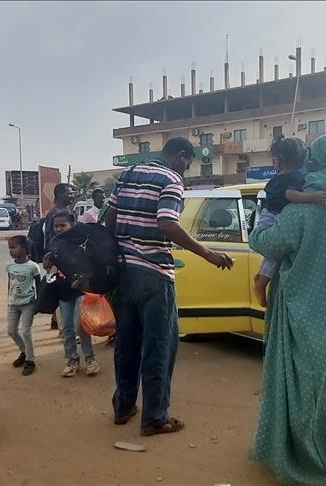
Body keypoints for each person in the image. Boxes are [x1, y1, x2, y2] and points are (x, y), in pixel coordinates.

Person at [249, 134, 326, 486]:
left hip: (311, 305)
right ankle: (287, 450)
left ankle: (319, 467)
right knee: (320, 387)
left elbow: (266, 242)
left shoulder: (313, 198)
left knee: (304, 389)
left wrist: (261, 218)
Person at [104, 137, 233, 436]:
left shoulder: (128, 174)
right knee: (159, 346)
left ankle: (123, 407)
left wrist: (119, 254)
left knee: (126, 343)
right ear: (181, 155)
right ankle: (154, 417)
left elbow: (110, 218)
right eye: (188, 163)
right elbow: (167, 223)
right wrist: (208, 254)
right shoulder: (171, 179)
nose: (186, 169)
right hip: (154, 274)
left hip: (123, 275)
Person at [253, 135, 326, 307]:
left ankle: (261, 278)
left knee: (272, 256)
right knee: (274, 255)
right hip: (272, 217)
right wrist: (312, 197)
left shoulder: (277, 179)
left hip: (267, 215)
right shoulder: (295, 178)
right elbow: (290, 195)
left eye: (273, 160)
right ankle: (261, 283)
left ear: (279, 161)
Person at [42, 211, 100, 377]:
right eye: (56, 226)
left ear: (72, 225)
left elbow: (92, 264)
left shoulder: (82, 242)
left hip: (81, 290)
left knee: (80, 326)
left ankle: (90, 358)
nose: (59, 229)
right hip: (63, 291)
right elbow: (48, 266)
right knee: (67, 328)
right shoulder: (54, 244)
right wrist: (47, 261)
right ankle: (72, 359)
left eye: (63, 225)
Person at [6, 235, 41, 376]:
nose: (11, 250)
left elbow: (39, 285)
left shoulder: (33, 266)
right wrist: (9, 298)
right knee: (11, 331)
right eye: (9, 248)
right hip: (13, 303)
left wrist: (38, 303)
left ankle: (30, 360)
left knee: (26, 332)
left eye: (14, 247)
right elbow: (10, 282)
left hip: (28, 303)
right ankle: (24, 351)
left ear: (25, 249)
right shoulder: (9, 265)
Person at [27, 183, 75, 262]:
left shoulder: (67, 211)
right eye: (69, 194)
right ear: (59, 195)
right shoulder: (55, 214)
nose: (72, 196)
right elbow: (51, 237)